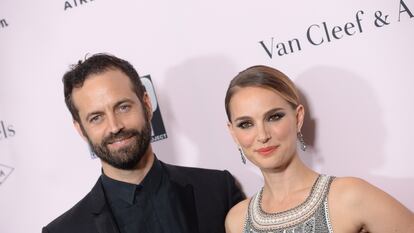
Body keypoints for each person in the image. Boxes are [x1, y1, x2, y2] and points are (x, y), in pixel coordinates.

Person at [42, 53, 244, 233]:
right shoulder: (64, 230)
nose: (114, 126)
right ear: (80, 130)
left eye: (122, 107)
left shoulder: (217, 190)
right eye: (96, 117)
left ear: (147, 105)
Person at [224, 65, 414, 233]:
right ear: (233, 133)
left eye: (274, 117)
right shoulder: (237, 221)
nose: (263, 135)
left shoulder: (350, 196)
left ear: (298, 118)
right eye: (246, 124)